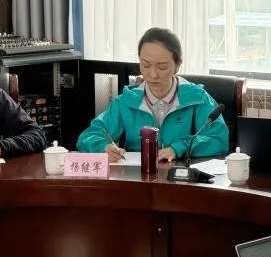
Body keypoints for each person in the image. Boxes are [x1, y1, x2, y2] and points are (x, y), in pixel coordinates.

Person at [77, 27, 228, 162]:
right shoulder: (126, 102)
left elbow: (219, 139)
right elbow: (88, 136)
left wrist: (178, 149)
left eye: (162, 67)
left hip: (182, 178)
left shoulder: (197, 98)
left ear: (177, 66)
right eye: (146, 65)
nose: (153, 74)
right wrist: (103, 147)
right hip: (138, 178)